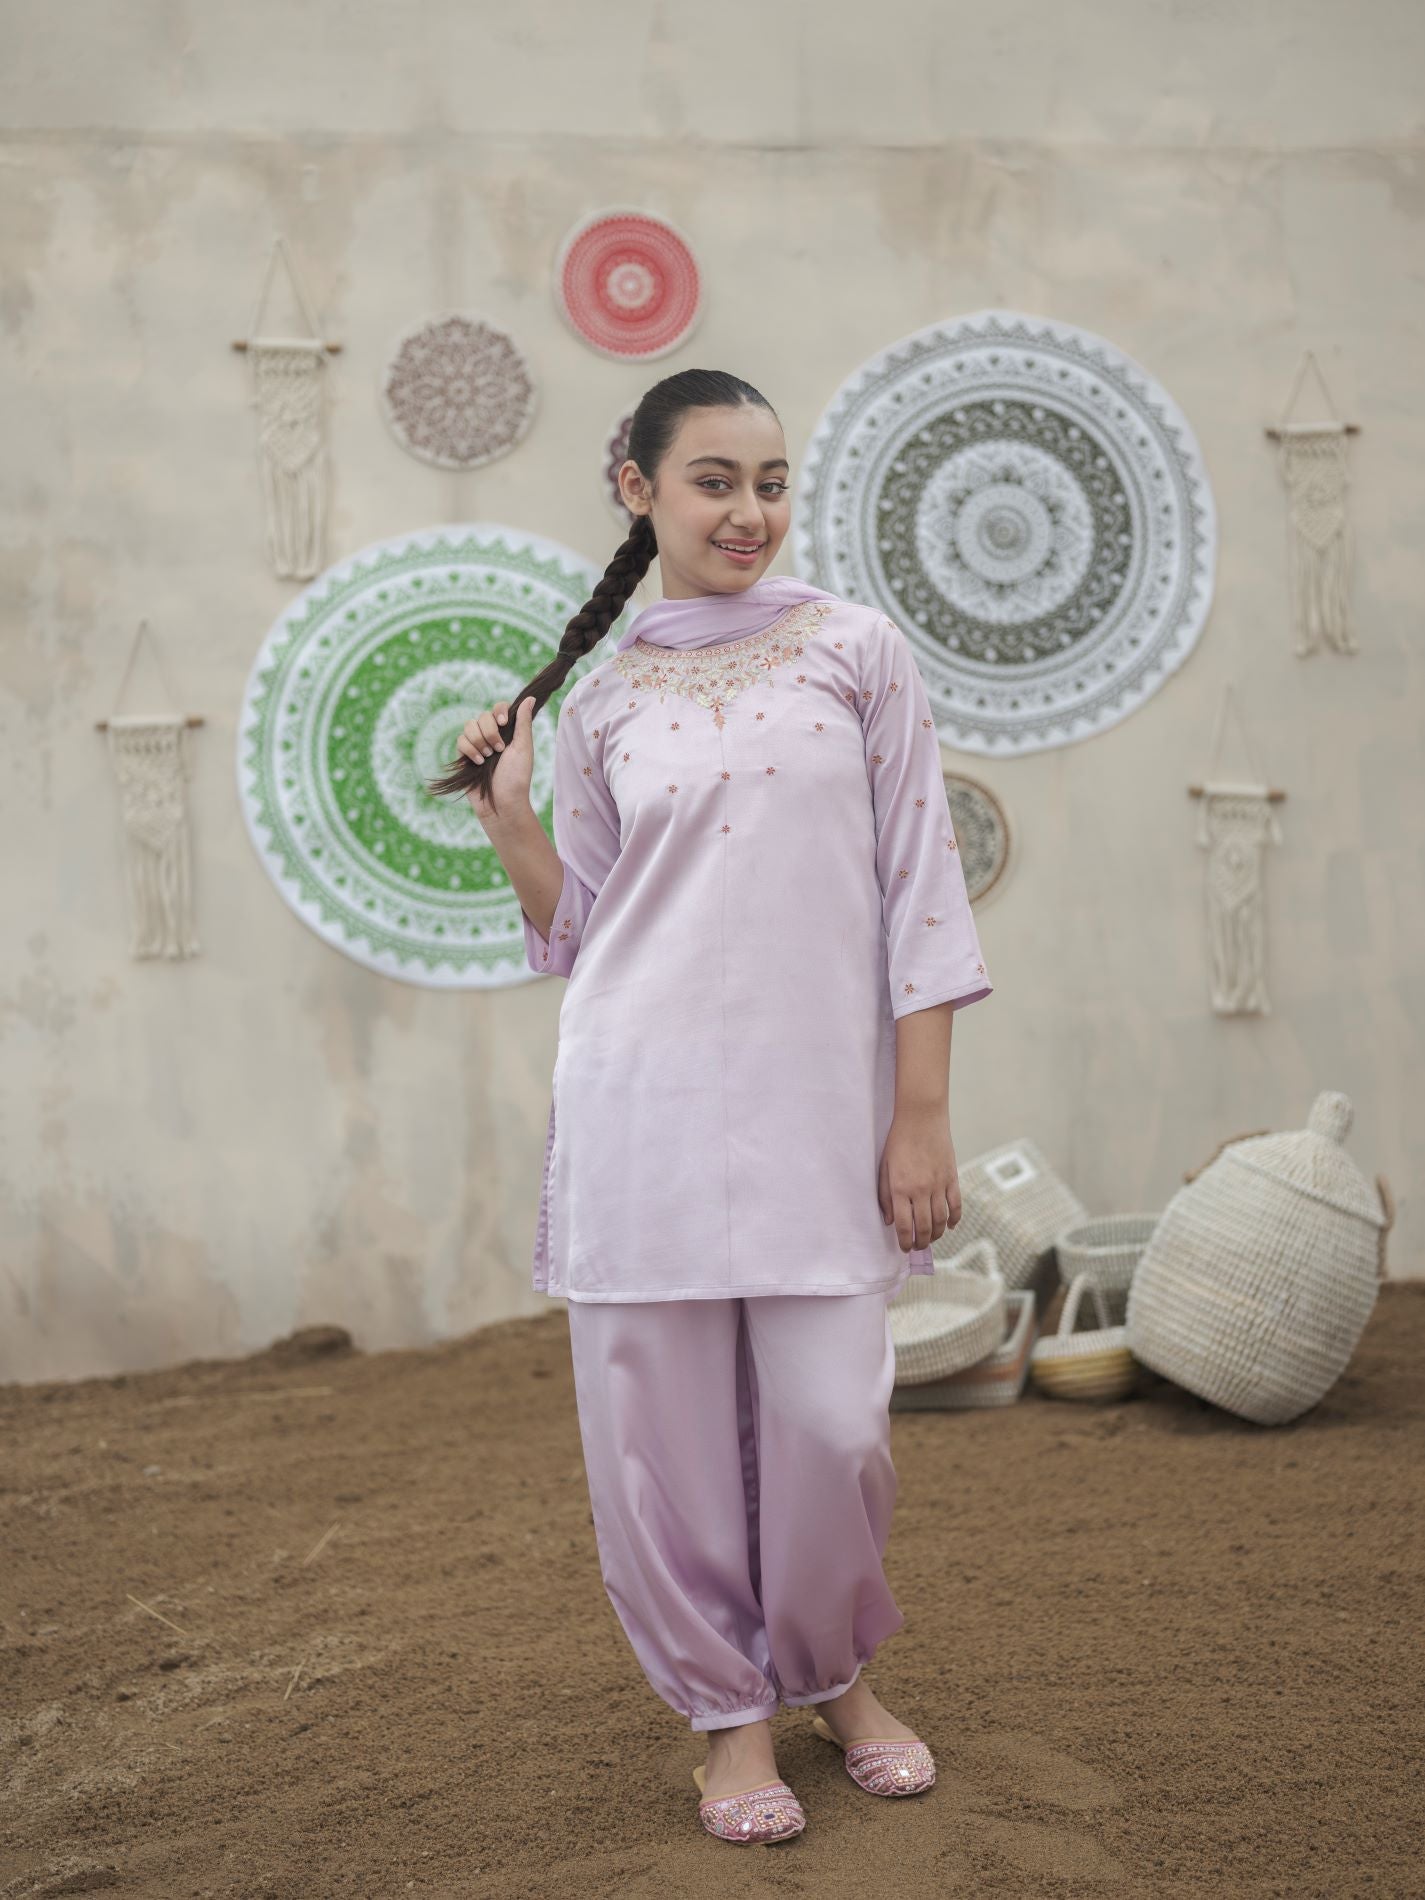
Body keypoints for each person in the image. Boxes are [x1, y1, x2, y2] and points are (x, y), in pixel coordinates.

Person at [425, 369, 993, 1846]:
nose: (750, 513)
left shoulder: (857, 653)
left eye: (771, 483)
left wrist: (919, 1113)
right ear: (640, 490)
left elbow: (921, 893)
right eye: (715, 482)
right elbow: (582, 933)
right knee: (659, 1437)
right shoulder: (605, 699)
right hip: (645, 1106)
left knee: (833, 1422)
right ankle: (728, 1722)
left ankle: (834, 1674)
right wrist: (509, 819)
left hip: (818, 1109)